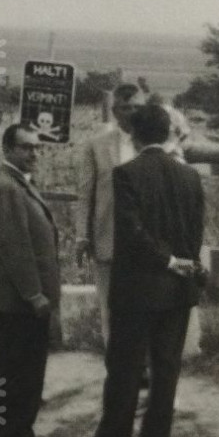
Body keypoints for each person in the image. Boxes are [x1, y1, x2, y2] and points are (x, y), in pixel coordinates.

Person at [69, 103, 207, 437]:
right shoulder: (190, 177)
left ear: (133, 134)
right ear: (167, 133)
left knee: (125, 370)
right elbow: (194, 235)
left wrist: (164, 260)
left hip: (137, 288)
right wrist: (182, 265)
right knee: (166, 370)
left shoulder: (126, 174)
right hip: (178, 288)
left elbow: (131, 233)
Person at [0, 123, 62, 437]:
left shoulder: (18, 185)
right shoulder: (6, 188)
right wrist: (33, 294)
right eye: (25, 147)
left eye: (37, 147)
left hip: (25, 301)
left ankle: (21, 435)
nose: (34, 153)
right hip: (18, 301)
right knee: (12, 372)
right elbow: (15, 248)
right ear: (7, 150)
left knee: (27, 372)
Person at [76, 83, 143, 346]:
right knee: (111, 307)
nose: (132, 112)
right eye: (126, 107)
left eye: (137, 107)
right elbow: (85, 194)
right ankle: (117, 364)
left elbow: (191, 150)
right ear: (115, 111)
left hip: (144, 239)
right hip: (108, 237)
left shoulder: (154, 142)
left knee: (142, 304)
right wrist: (82, 235)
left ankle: (143, 365)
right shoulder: (96, 145)